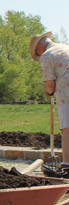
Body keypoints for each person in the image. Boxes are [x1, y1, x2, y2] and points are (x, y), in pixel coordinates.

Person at [31, 32, 69, 174]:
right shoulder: (66, 47)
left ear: (40, 45)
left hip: (67, 94)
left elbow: (49, 86)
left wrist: (48, 93)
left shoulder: (47, 55)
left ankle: (67, 166)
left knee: (67, 128)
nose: (39, 55)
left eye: (37, 52)